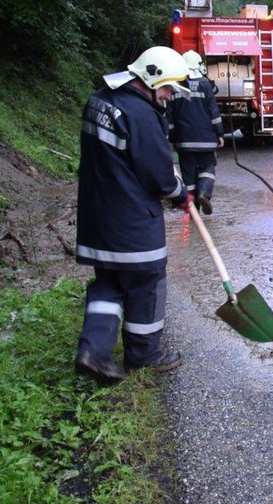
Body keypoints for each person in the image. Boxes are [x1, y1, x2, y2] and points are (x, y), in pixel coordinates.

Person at [74, 46, 193, 384]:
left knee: (108, 284)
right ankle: (144, 356)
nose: (169, 96)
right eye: (168, 88)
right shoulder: (140, 115)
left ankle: (93, 351)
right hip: (132, 222)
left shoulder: (100, 100)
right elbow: (159, 177)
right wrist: (181, 194)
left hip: (98, 219)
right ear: (152, 78)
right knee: (147, 282)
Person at [168, 50, 224, 214]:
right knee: (207, 168)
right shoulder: (206, 85)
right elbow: (213, 113)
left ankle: (193, 210)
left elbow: (170, 118)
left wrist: (171, 139)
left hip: (184, 142)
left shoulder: (174, 87)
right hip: (206, 140)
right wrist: (220, 134)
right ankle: (204, 193)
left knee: (188, 175)